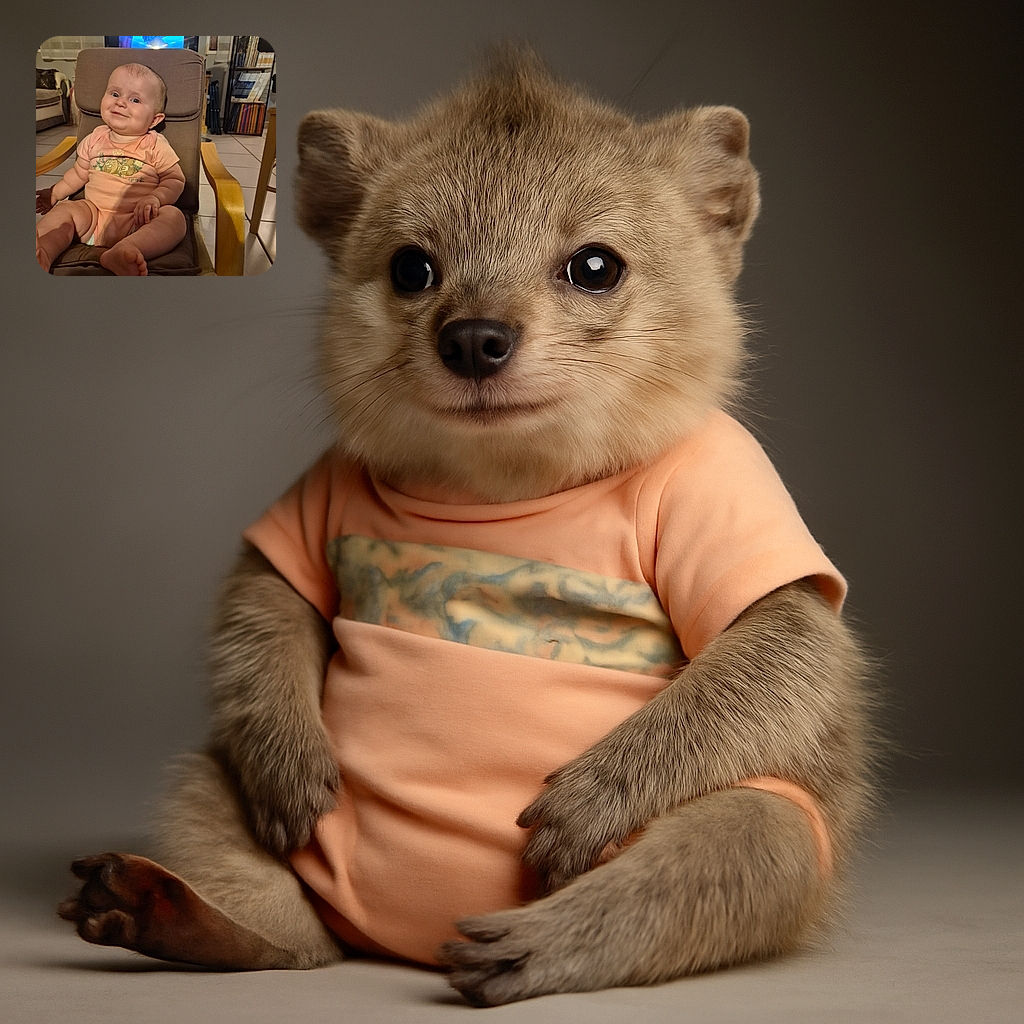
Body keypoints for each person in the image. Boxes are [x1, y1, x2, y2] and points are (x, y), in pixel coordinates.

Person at [35, 62, 187, 276]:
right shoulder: (95, 138)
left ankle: (126, 250)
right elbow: (78, 174)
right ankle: (42, 253)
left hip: (139, 223)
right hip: (93, 217)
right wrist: (54, 193)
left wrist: (156, 198)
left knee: (174, 218)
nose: (121, 103)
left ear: (154, 119)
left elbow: (175, 179)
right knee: (64, 210)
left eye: (135, 99)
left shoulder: (155, 144)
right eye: (115, 93)